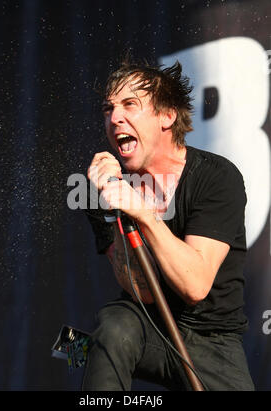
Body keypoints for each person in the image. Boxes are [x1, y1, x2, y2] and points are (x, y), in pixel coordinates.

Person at [82, 60, 255, 391]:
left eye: (130, 104)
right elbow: (142, 291)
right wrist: (112, 209)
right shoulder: (100, 187)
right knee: (112, 329)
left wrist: (145, 214)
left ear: (167, 116)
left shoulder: (216, 177)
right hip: (146, 326)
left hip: (212, 339)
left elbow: (195, 286)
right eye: (108, 108)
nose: (114, 117)